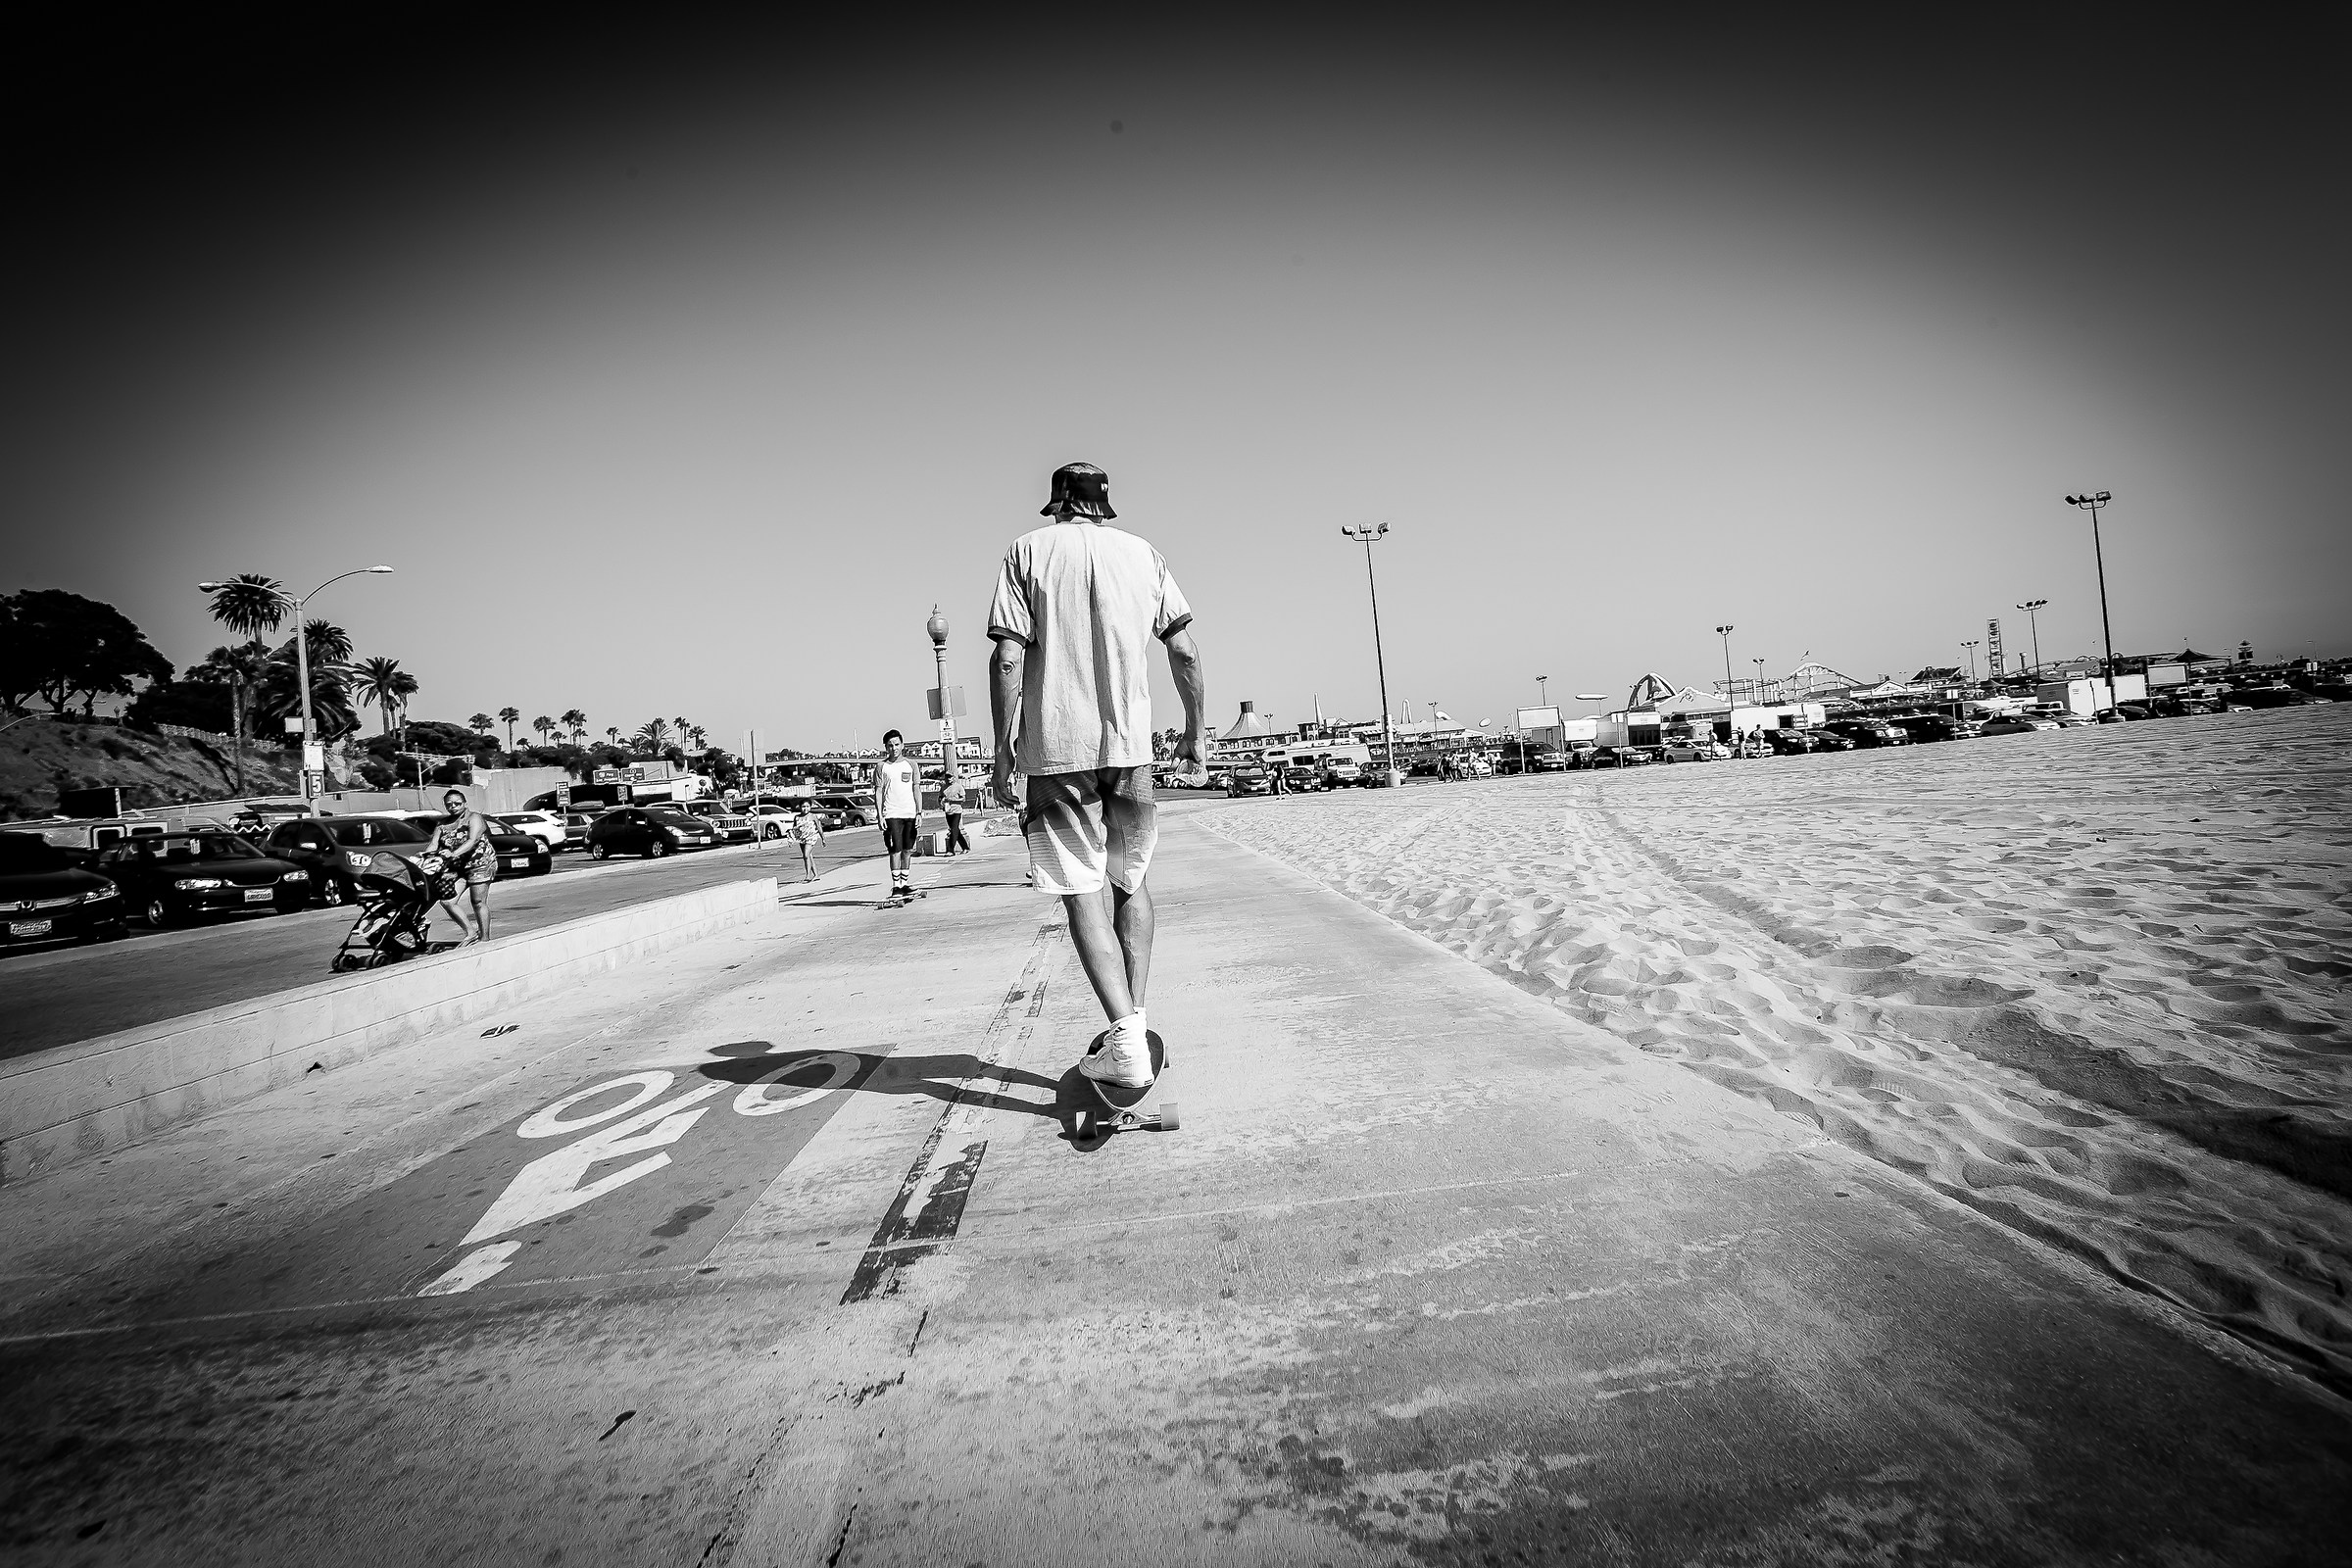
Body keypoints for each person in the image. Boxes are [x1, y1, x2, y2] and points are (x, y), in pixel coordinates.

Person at [989, 461, 1206, 1089]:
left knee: (1082, 890)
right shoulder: (1145, 555)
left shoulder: (1026, 552)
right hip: (1131, 751)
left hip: (1057, 753)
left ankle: (1126, 1040)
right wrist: (1195, 731)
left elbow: (1007, 659)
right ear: (1104, 506)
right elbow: (1186, 649)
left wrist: (1004, 753)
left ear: (1056, 504)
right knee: (1130, 882)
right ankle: (1134, 1024)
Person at [430, 787, 497, 944]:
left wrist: (453, 854)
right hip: (458, 867)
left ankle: (484, 939)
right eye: (449, 804)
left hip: (480, 864)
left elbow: (472, 840)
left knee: (478, 902)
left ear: (465, 803)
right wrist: (424, 856)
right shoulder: (442, 824)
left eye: (457, 803)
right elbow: (433, 844)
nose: (453, 807)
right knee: (447, 901)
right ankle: (471, 932)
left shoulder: (474, 818)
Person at [871, 729, 921, 901]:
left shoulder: (911, 764)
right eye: (890, 745)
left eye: (897, 744)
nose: (894, 748)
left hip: (910, 813)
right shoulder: (881, 767)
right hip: (891, 813)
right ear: (886, 747)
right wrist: (880, 815)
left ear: (903, 745)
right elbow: (878, 792)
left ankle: (904, 884)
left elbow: (916, 789)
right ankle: (896, 887)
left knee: (907, 849)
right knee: (895, 849)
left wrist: (919, 812)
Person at [791, 802, 825, 881]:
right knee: (809, 856)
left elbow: (819, 827)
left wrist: (823, 838)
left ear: (810, 807)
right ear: (800, 807)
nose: (805, 808)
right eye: (803, 806)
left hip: (811, 838)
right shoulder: (797, 817)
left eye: (807, 806)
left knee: (806, 855)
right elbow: (794, 829)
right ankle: (816, 875)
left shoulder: (813, 816)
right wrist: (792, 838)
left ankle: (808, 875)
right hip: (802, 838)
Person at [942, 767, 970, 856]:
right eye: (947, 777)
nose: (948, 779)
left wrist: (953, 800)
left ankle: (950, 850)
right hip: (948, 811)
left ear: (954, 778)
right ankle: (965, 847)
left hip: (957, 811)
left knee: (954, 829)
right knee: (955, 830)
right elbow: (940, 797)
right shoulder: (943, 787)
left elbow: (963, 799)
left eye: (950, 777)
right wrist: (941, 803)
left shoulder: (958, 787)